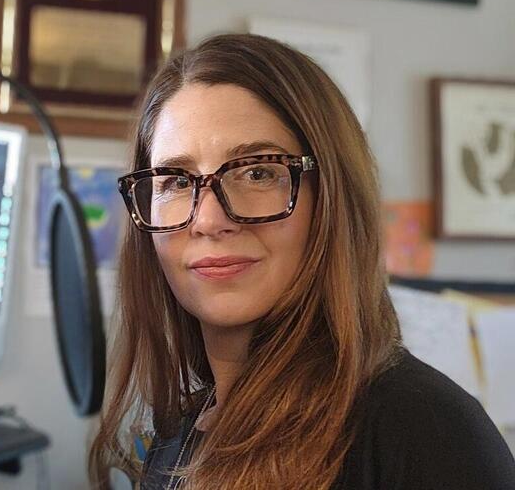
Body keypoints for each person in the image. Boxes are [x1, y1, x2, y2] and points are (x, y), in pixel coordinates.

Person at [89, 34, 515, 489]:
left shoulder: (424, 432)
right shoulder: (181, 429)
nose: (209, 220)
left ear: (332, 199)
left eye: (258, 172)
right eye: (175, 180)